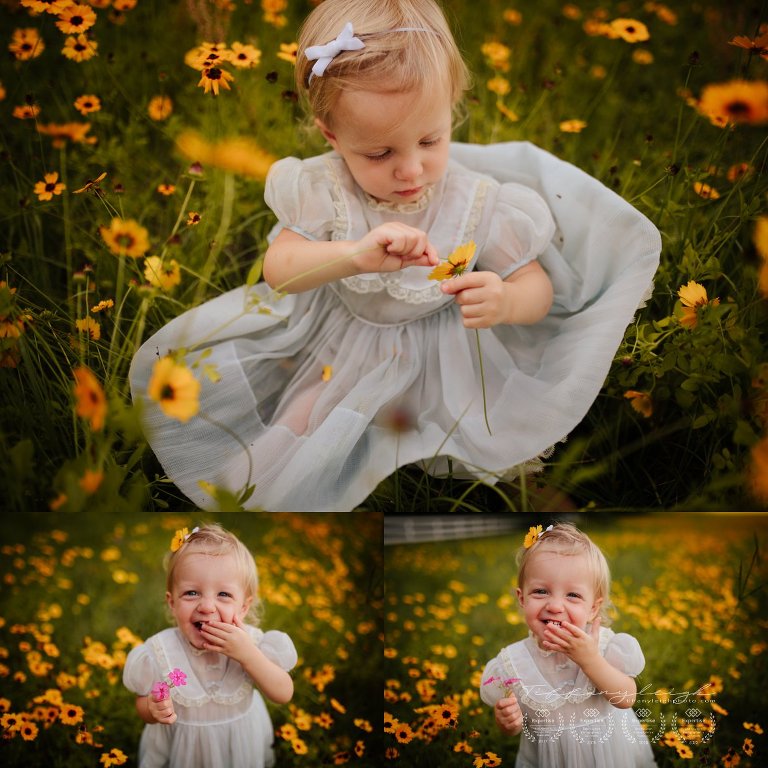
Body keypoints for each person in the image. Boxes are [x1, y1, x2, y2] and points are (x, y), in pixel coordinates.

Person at [128, 0, 660, 512]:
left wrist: (505, 299)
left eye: (430, 141)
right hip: (342, 339)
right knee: (305, 415)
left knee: (486, 435)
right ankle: (246, 493)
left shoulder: (478, 202)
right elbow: (279, 272)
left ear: (451, 111)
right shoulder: (325, 189)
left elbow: (536, 288)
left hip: (443, 349)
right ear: (332, 136)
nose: (410, 170)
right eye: (380, 153)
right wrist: (352, 256)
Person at [479, 522, 657, 767]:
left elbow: (626, 699)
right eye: (540, 591)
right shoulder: (514, 663)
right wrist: (508, 722)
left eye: (572, 595)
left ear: (593, 608)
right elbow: (513, 728)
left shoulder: (604, 646)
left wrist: (590, 660)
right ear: (522, 598)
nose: (554, 606)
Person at [123, 524, 297, 768]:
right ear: (172, 603)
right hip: (183, 750)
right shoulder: (161, 652)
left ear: (243, 607)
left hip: (237, 747)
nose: (206, 607)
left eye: (223, 595)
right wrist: (152, 709)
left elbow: (283, 693)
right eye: (191, 593)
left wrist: (249, 656)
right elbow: (142, 704)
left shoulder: (253, 644)